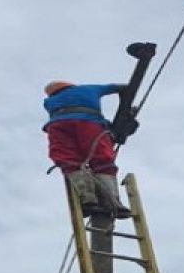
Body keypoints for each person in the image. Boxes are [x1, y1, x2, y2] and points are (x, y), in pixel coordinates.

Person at [43, 81, 130, 218]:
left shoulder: (48, 102)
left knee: (69, 161)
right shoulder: (90, 88)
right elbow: (122, 88)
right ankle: (112, 203)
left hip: (57, 126)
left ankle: (88, 199)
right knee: (102, 160)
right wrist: (125, 100)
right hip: (88, 123)